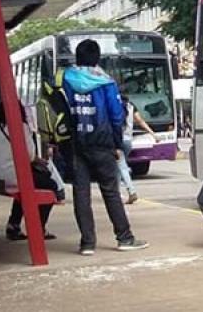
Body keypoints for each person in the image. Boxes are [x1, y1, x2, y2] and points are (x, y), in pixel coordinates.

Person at [63, 39, 148, 255]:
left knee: (81, 194)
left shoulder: (67, 80)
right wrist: (117, 144)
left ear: (77, 57)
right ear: (97, 58)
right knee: (110, 191)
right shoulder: (106, 83)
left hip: (77, 142)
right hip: (102, 143)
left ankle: (87, 243)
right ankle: (124, 238)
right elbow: (116, 114)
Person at [0, 99, 59, 241]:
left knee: (26, 183)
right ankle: (39, 228)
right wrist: (39, 161)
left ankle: (14, 225)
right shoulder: (20, 127)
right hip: (8, 176)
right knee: (49, 185)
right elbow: (30, 155)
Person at [118, 88, 157, 204]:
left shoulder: (114, 105)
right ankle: (116, 193)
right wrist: (153, 134)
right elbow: (140, 121)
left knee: (121, 166)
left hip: (118, 141)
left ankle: (131, 191)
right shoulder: (131, 106)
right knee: (118, 166)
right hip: (128, 141)